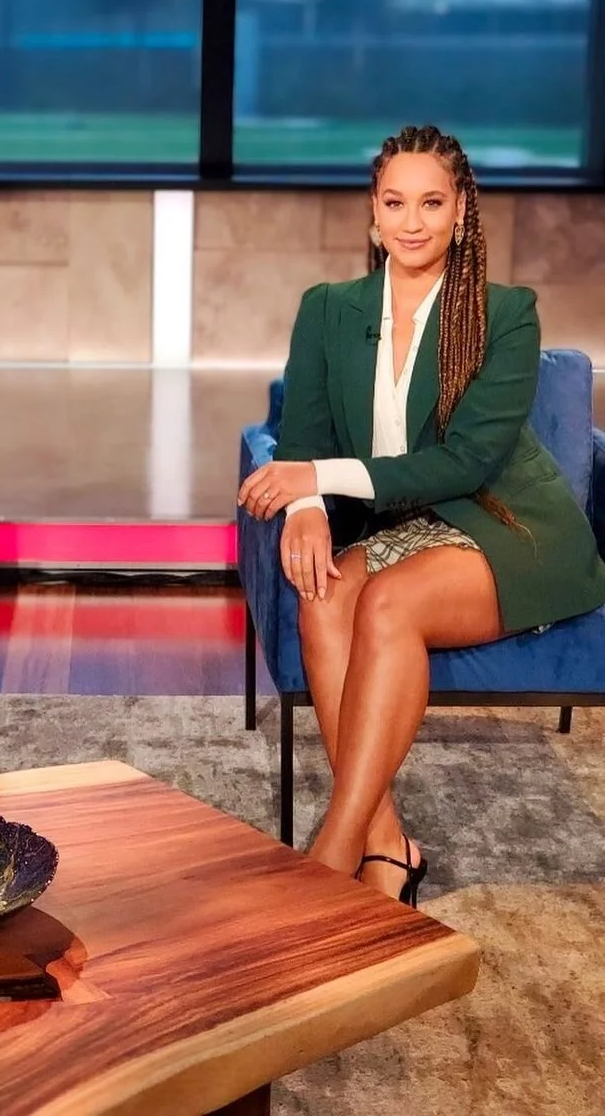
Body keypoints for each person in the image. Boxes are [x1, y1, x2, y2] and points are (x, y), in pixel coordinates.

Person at [238, 124, 605, 904]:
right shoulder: (329, 309)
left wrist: (317, 474)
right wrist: (306, 504)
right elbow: (301, 433)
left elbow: (465, 463)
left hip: (509, 526)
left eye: (432, 203)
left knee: (389, 603)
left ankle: (330, 858)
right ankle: (386, 844)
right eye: (396, 202)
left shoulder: (506, 314)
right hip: (407, 528)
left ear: (462, 210)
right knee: (324, 593)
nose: (412, 222)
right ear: (373, 212)